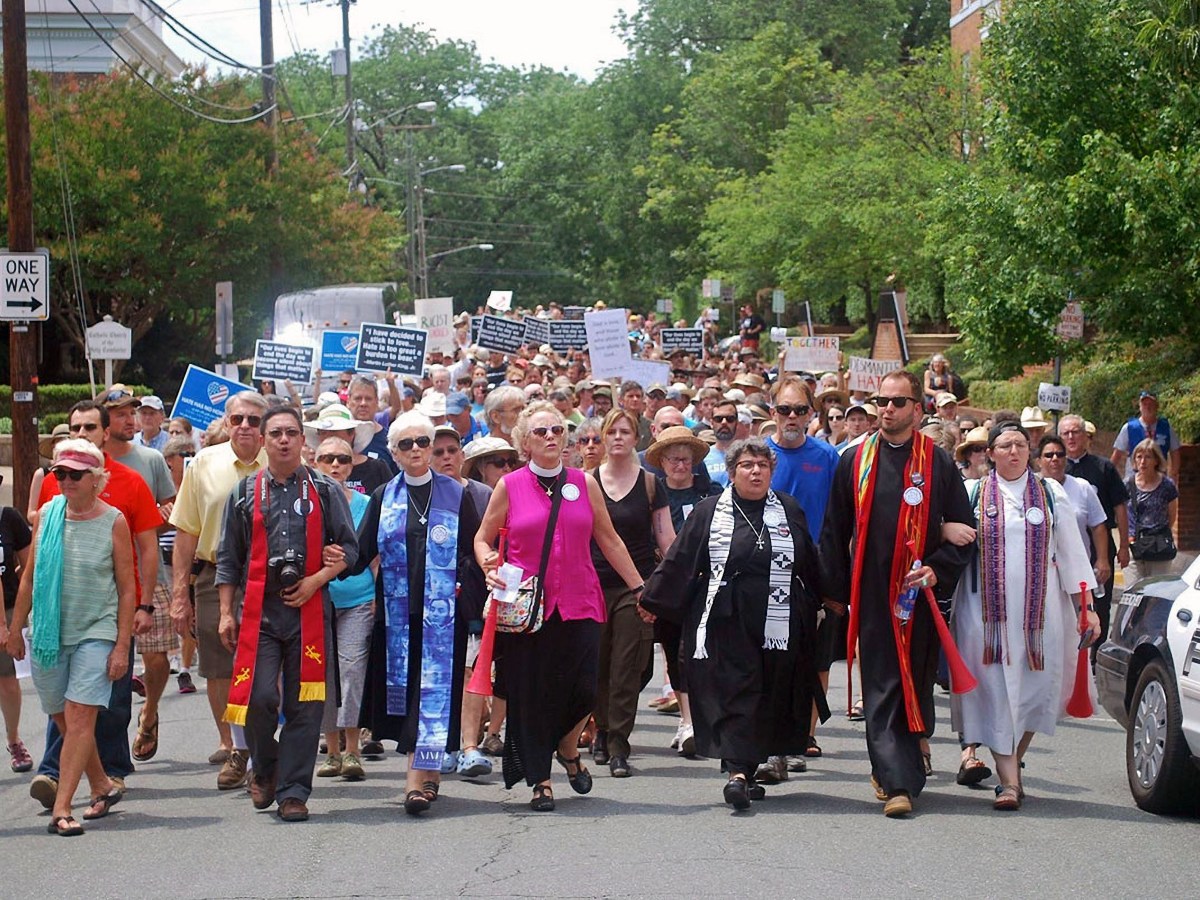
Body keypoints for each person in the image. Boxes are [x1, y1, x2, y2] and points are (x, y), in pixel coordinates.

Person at [474, 401, 644, 812]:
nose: (551, 437)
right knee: (532, 694)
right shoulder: (510, 485)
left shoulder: (583, 484)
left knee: (585, 689)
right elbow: (483, 538)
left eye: (557, 430)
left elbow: (609, 540)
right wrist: (488, 565)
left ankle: (568, 750)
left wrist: (640, 588)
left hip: (581, 601)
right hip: (528, 608)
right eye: (541, 432)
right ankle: (541, 780)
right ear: (525, 443)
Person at [819, 370, 975, 817]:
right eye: (880, 401)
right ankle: (896, 780)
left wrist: (935, 568)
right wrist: (833, 592)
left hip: (918, 596)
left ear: (916, 409)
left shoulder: (938, 463)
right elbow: (835, 529)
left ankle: (909, 762)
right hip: (871, 593)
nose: (887, 409)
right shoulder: (854, 460)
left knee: (916, 683)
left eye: (897, 402)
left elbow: (963, 532)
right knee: (883, 684)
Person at [642, 438, 827, 810]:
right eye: (747, 465)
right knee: (736, 690)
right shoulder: (710, 511)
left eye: (762, 465)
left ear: (772, 472)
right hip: (726, 617)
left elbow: (808, 558)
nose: (756, 471)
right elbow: (681, 559)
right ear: (731, 472)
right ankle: (737, 774)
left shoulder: (788, 509)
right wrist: (653, 600)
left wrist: (830, 596)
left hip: (777, 618)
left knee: (768, 691)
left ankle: (750, 764)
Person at [215, 406, 358, 822]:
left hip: (309, 609)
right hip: (259, 612)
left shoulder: (325, 490)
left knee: (305, 704)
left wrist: (319, 577)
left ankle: (294, 791)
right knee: (258, 699)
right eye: (274, 432)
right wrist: (226, 612)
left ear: (302, 441)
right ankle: (266, 766)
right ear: (262, 440)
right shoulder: (244, 493)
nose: (283, 440)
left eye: (291, 433)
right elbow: (229, 557)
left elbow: (350, 549)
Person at [950, 423, 1099, 811]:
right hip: (985, 617)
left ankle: (1012, 763)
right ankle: (1010, 783)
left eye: (1020, 444)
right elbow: (945, 538)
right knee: (996, 692)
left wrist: (1088, 609)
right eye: (1005, 445)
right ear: (991, 453)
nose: (1014, 451)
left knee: (1034, 692)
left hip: (1040, 616)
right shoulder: (972, 494)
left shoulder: (1051, 494)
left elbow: (1071, 553)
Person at [347, 411, 485, 815]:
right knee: (413, 699)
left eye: (422, 442)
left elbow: (476, 547)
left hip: (444, 615)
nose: (416, 451)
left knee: (435, 695)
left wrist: (474, 578)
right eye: (405, 445)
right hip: (398, 619)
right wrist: (331, 561)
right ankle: (424, 778)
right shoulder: (383, 496)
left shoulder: (456, 494)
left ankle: (418, 782)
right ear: (393, 452)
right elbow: (361, 551)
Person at [28, 400, 161, 810]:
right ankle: (69, 774)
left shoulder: (132, 480)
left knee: (111, 699)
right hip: (58, 614)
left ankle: (109, 771)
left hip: (109, 612)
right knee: (65, 704)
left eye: (89, 427)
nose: (81, 433)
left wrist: (144, 605)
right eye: (74, 427)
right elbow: (38, 546)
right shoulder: (55, 481)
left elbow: (148, 547)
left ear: (105, 433)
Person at [6, 440, 135, 835]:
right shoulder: (46, 514)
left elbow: (128, 589)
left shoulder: (114, 520)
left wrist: (122, 646)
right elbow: (28, 577)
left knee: (80, 718)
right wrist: (15, 631)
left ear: (96, 479)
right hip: (48, 632)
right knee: (62, 716)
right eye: (59, 473)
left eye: (74, 474)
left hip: (96, 630)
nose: (64, 480)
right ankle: (100, 784)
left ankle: (62, 808)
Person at [169, 391, 268, 789]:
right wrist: (180, 594)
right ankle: (232, 747)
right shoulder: (202, 465)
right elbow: (185, 533)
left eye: (254, 420)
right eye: (237, 419)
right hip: (212, 577)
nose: (245, 426)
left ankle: (261, 747)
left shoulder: (281, 461)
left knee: (267, 662)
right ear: (226, 422)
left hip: (268, 576)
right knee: (218, 668)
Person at [589, 409, 675, 777]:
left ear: (637, 438)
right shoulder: (586, 481)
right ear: (604, 438)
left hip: (635, 586)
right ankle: (602, 729)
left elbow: (666, 538)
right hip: (591, 585)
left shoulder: (652, 484)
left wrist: (680, 579)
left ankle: (619, 743)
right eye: (612, 432)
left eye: (626, 431)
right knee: (597, 665)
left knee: (627, 666)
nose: (619, 437)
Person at [645, 425, 721, 757]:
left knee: (704, 651)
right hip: (668, 584)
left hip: (707, 583)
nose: (680, 466)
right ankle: (687, 720)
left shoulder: (711, 492)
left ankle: (707, 718)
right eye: (674, 459)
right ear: (662, 462)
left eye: (686, 460)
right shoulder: (653, 494)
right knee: (675, 650)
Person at [312, 437, 375, 783]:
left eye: (342, 459)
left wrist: (378, 596)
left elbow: (376, 555)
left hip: (358, 599)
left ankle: (352, 750)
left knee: (352, 671)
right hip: (317, 598)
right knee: (323, 674)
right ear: (315, 461)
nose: (335, 465)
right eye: (327, 459)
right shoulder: (306, 502)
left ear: (352, 465)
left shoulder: (366, 503)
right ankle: (331, 750)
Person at [1061, 414, 1129, 654]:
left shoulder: (1104, 467)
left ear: (1086, 437)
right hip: (1067, 551)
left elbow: (1120, 506)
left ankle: (1096, 656)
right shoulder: (1057, 469)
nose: (1071, 437)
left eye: (1075, 432)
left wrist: (1123, 546)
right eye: (1066, 433)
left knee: (1100, 602)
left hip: (1099, 548)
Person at [1038, 434, 1110, 592]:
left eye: (1060, 454)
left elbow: (1098, 525)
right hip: (1043, 573)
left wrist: (1102, 559)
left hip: (1078, 569)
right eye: (1049, 455)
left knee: (1081, 615)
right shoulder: (1031, 490)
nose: (1055, 459)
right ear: (1039, 461)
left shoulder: (1082, 487)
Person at [160, 437, 198, 693]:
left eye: (191, 454)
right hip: (163, 555)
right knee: (167, 612)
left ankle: (184, 667)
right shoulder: (159, 489)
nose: (188, 460)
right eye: (183, 456)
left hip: (191, 558)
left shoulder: (198, 485)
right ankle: (168, 658)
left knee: (189, 613)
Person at [0, 490, 33, 773]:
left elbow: (29, 566)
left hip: (8, 606)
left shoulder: (9, 518)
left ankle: (13, 739)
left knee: (7, 680)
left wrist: (22, 612)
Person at [302, 403, 392, 496]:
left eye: (334, 432)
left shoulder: (376, 468)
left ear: (351, 434)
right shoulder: (309, 472)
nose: (329, 437)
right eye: (323, 432)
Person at [1125, 438, 1179, 581]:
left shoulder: (1167, 486)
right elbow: (1122, 514)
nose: (1143, 461)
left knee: (1157, 594)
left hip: (1159, 548)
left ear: (1156, 460)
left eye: (1148, 457)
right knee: (1133, 594)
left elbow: (1172, 515)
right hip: (1134, 547)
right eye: (1139, 457)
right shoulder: (1127, 484)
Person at [1111, 390, 1180, 481]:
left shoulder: (1166, 427)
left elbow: (1175, 453)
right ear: (1140, 407)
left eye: (1151, 404)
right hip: (1134, 480)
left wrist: (1173, 476)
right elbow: (1117, 455)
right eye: (1144, 404)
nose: (1148, 407)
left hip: (1159, 480)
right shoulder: (1129, 427)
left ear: (1157, 406)